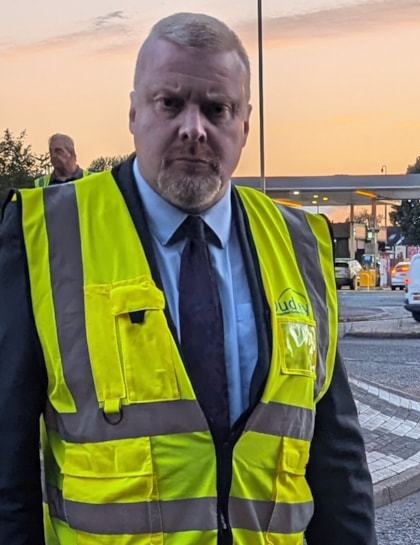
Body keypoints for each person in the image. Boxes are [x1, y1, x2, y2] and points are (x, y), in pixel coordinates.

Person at [0, 12, 375, 545]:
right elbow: (7, 471)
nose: (194, 128)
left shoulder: (299, 244)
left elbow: (336, 463)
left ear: (245, 124)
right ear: (133, 113)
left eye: (216, 108)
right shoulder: (46, 235)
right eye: (170, 103)